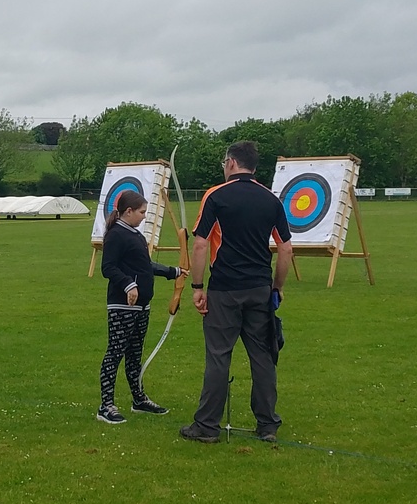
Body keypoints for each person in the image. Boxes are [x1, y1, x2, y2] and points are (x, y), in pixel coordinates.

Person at [180, 141, 292, 444]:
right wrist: (277, 287)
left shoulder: (216, 196)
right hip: (258, 288)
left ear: (231, 163)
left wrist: (198, 287)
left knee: (218, 356)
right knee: (263, 356)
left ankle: (207, 426)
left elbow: (201, 243)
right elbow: (285, 248)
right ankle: (267, 424)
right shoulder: (271, 199)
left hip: (225, 288)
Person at [97, 189, 182, 423]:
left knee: (135, 355)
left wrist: (172, 272)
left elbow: (144, 266)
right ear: (129, 211)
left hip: (141, 305)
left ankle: (139, 399)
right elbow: (109, 267)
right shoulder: (116, 235)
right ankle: (106, 405)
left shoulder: (135, 235)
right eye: (142, 212)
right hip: (122, 306)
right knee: (115, 353)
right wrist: (128, 285)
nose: (145, 216)